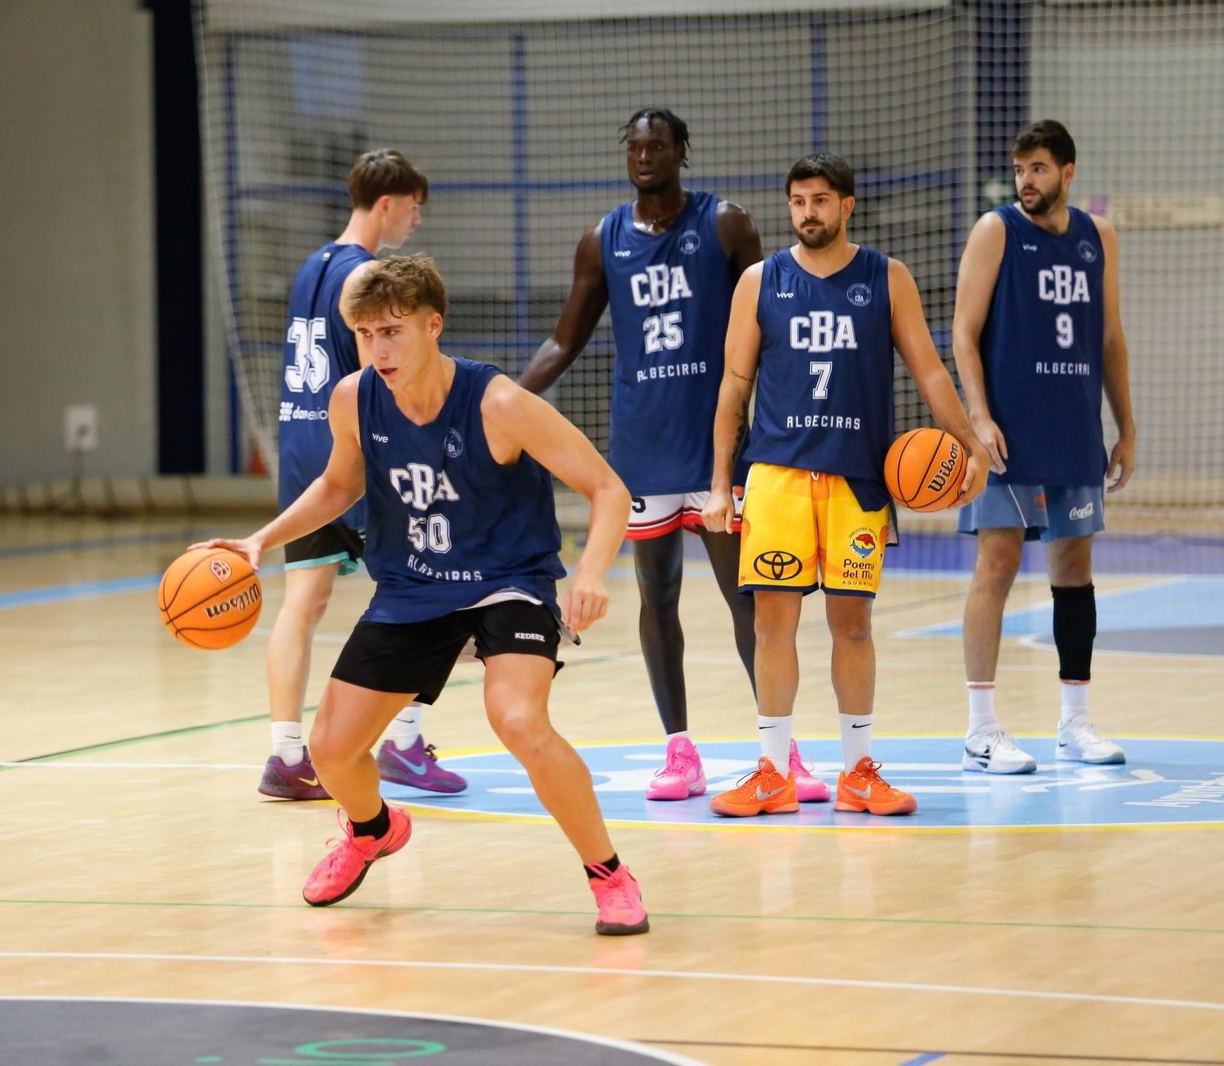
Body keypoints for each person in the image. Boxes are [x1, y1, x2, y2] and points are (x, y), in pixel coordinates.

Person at [198, 253, 648, 935]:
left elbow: (609, 488)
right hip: (412, 585)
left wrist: (590, 573)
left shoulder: (498, 403)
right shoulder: (353, 398)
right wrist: (261, 540)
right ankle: (372, 830)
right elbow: (340, 485)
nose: (378, 349)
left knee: (518, 720)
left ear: (432, 325)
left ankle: (608, 873)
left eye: (392, 331)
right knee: (330, 750)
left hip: (506, 582)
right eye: (365, 334)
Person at [518, 108, 827, 804]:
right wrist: (499, 397)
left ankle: (781, 751)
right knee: (657, 596)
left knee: (749, 600)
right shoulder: (602, 240)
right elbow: (564, 341)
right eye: (634, 146)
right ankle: (679, 751)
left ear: (681, 151)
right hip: (642, 446)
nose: (644, 156)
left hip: (719, 446)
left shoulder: (727, 225)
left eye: (656, 145)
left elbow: (769, 326)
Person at [701, 154, 989, 817]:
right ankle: (773, 773)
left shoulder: (887, 277)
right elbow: (734, 386)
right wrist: (719, 482)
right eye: (798, 201)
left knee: (852, 625)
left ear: (847, 205)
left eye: (821, 200)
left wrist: (971, 444)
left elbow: (930, 372)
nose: (808, 212)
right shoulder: (759, 281)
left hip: (858, 480)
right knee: (771, 624)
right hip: (776, 476)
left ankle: (858, 772)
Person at [262, 149, 464, 800]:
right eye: (412, 208)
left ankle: (285, 755)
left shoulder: (312, 265)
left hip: (299, 449)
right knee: (433, 591)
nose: (415, 220)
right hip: (349, 454)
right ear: (386, 204)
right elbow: (374, 376)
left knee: (301, 606)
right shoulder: (369, 277)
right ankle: (402, 741)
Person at [953, 120, 1133, 774]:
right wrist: (978, 416)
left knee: (1074, 572)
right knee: (996, 564)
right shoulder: (996, 230)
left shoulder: (1098, 237)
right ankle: (980, 729)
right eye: (1019, 169)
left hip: (1075, 430)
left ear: (1067, 172)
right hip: (1009, 433)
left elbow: (1110, 338)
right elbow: (963, 331)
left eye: (1038, 168)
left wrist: (1126, 428)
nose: (1025, 180)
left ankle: (1074, 722)